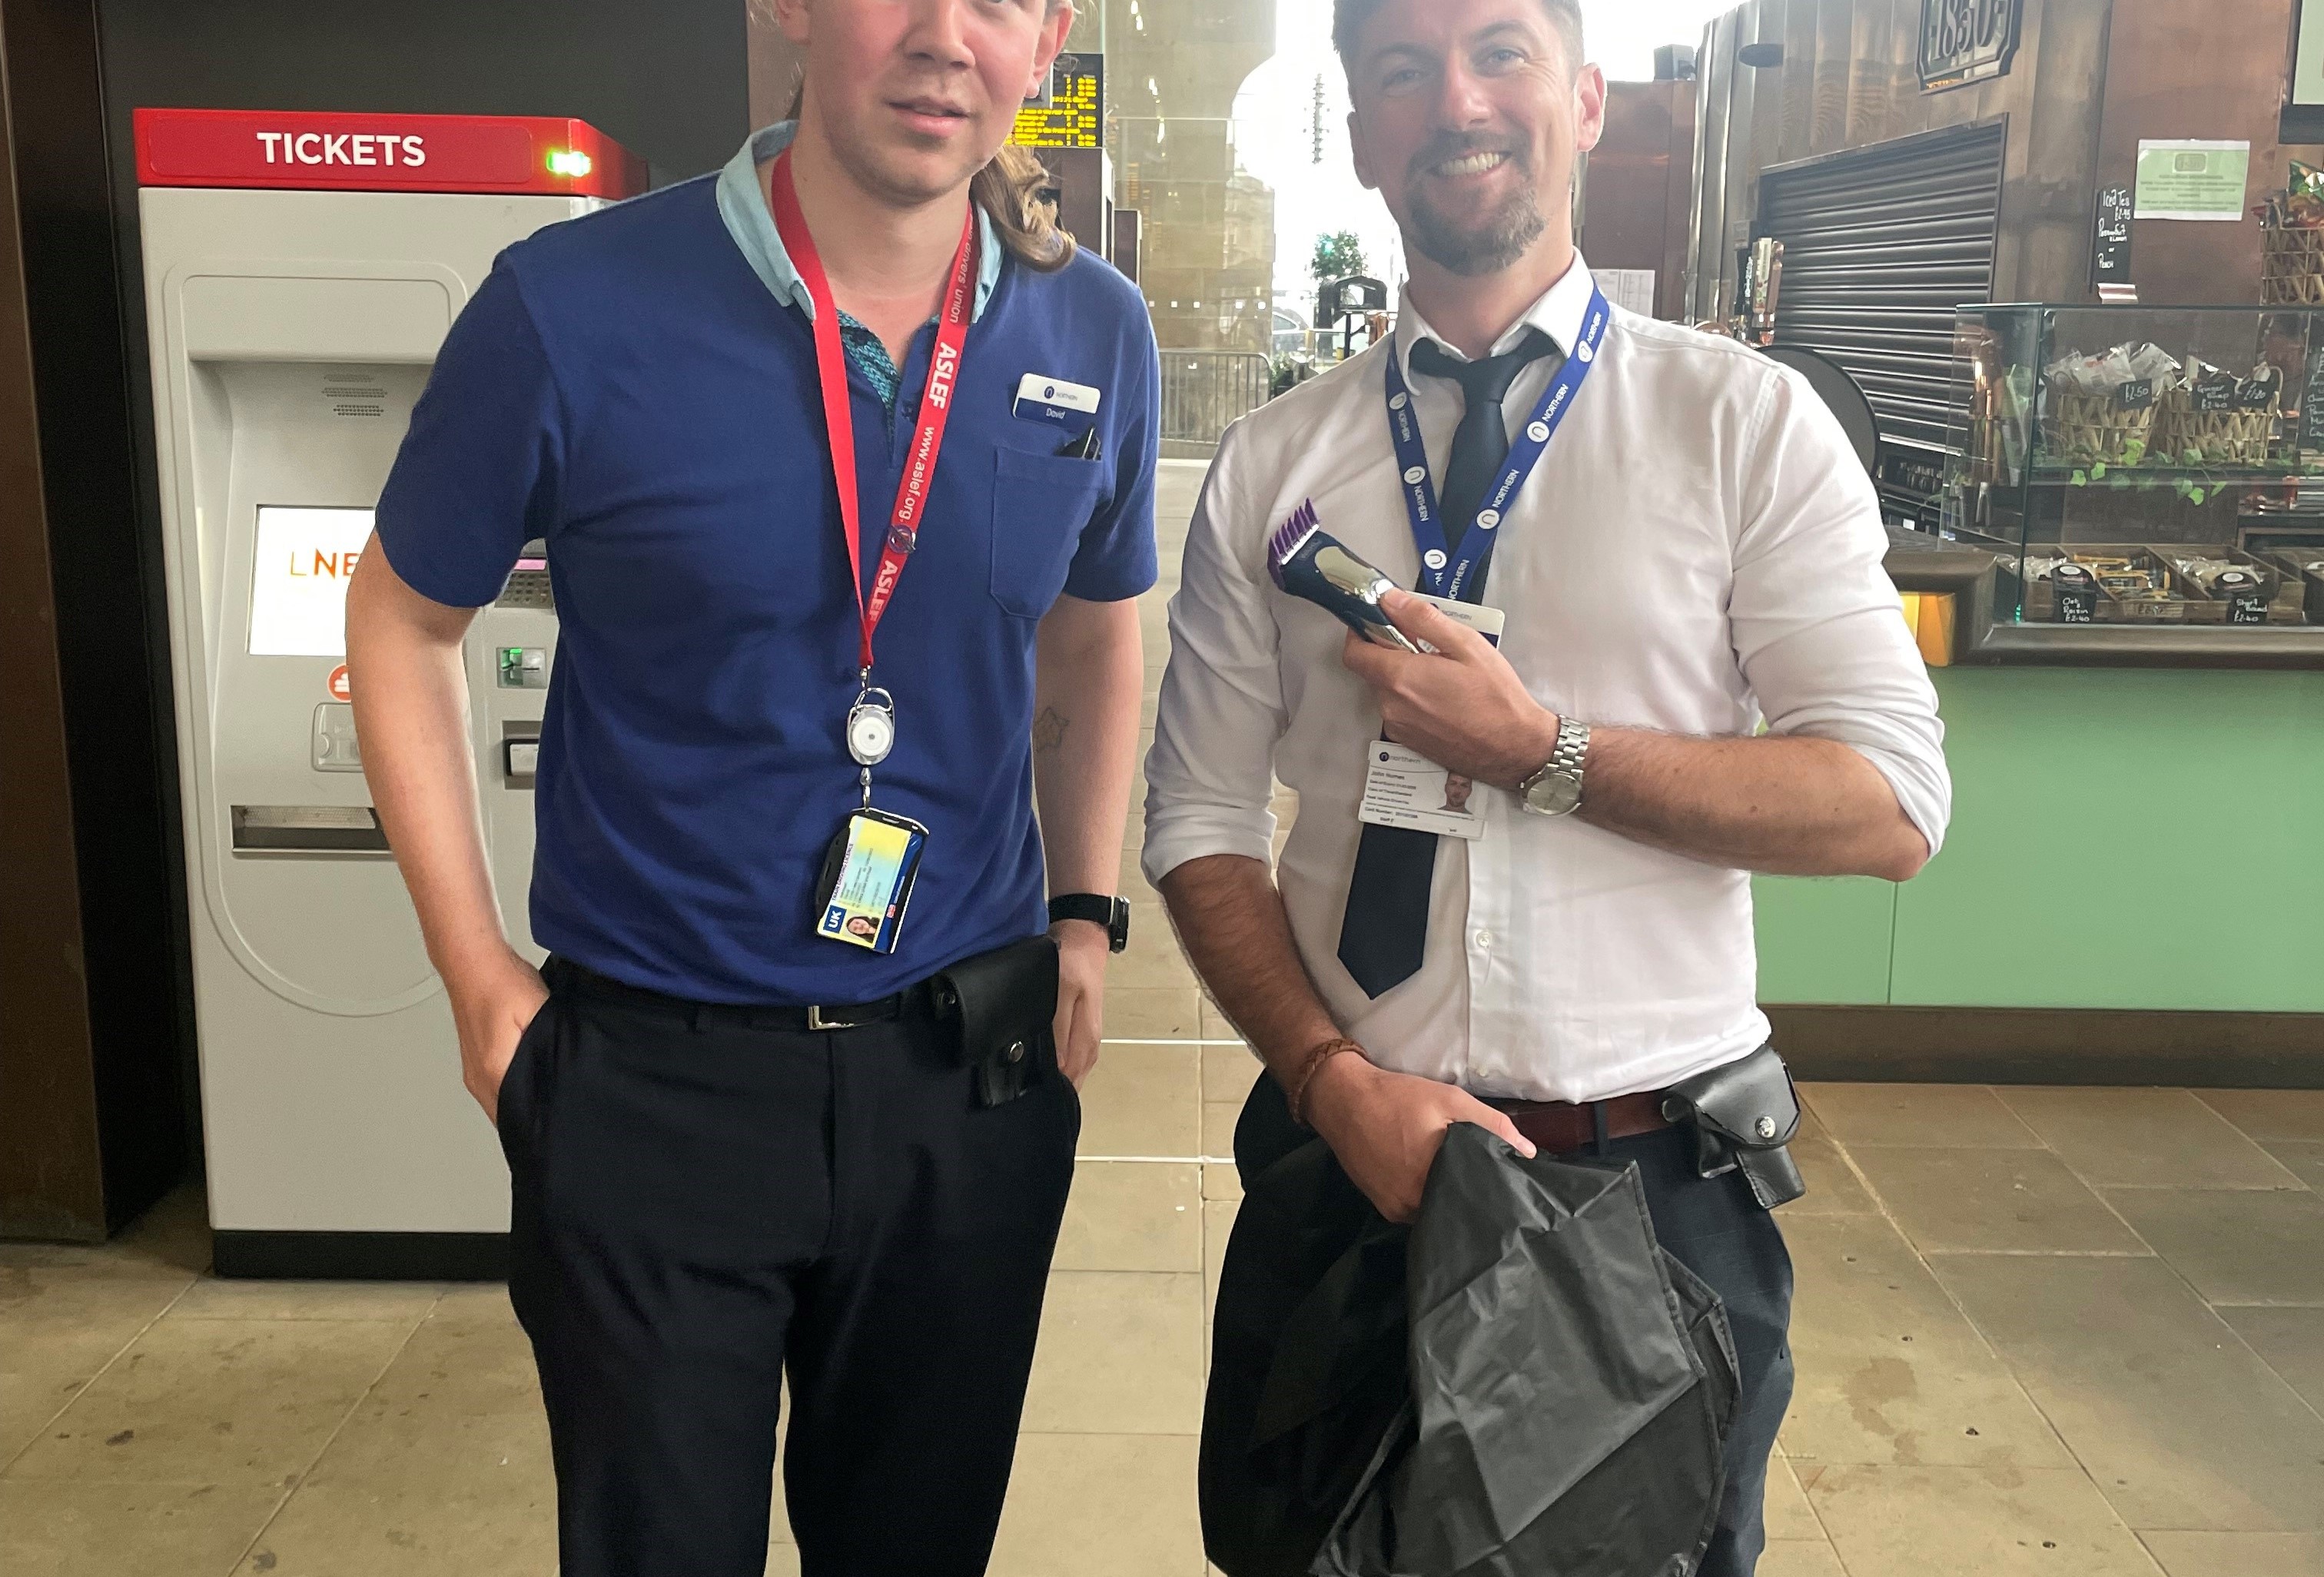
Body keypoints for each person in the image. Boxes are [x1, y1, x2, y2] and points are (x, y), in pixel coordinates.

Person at [344, 0, 1159, 1569]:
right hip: (655, 1084)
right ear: (787, 7)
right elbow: (399, 616)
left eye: (997, 1)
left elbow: (1095, 641)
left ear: (1048, 38)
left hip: (960, 1081)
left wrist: (1082, 913)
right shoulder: (570, 308)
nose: (943, 37)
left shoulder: (1089, 332)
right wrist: (477, 989)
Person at [1142, 0, 1948, 1572]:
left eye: (1500, 51)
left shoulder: (1740, 427)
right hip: (1352, 1169)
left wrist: (1543, 755)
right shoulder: (1272, 468)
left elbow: (1888, 803)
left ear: (1581, 98)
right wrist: (1328, 1082)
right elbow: (1197, 819)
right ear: (1363, 131)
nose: (1458, 100)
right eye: (1402, 71)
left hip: (1651, 1193)